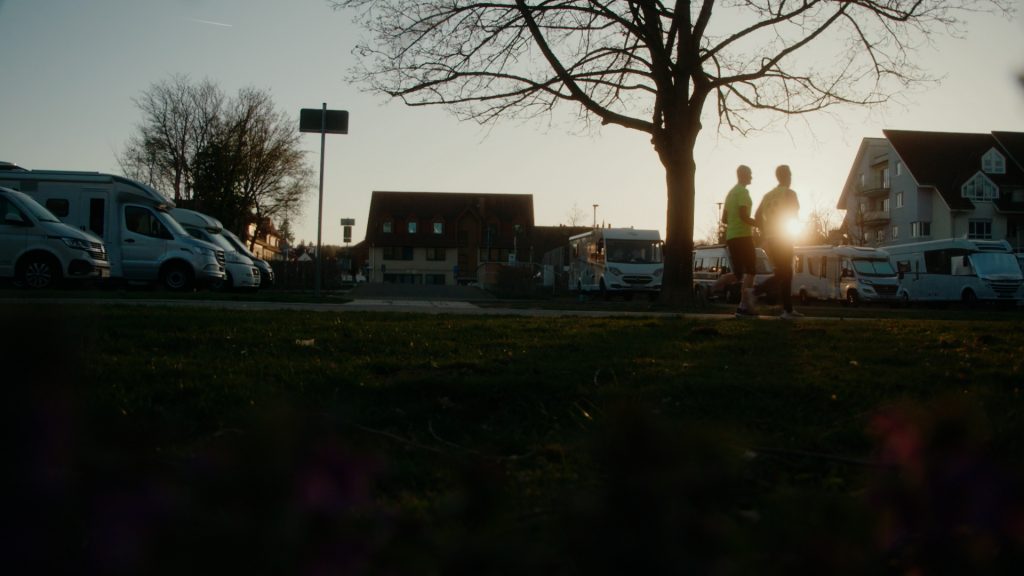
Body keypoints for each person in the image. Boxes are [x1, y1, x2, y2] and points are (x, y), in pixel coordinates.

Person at [755, 164, 803, 319]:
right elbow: (794, 215)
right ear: (787, 176)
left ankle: (788, 310)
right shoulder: (790, 193)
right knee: (785, 272)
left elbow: (757, 216)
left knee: (784, 272)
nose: (790, 178)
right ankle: (755, 291)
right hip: (784, 237)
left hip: (771, 239)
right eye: (790, 175)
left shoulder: (768, 195)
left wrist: (765, 233)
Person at [721, 164, 758, 318]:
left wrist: (734, 225)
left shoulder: (730, 193)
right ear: (743, 175)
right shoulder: (743, 192)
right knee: (751, 270)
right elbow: (743, 216)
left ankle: (710, 289)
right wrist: (759, 223)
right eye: (749, 174)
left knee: (738, 274)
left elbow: (724, 219)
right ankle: (744, 306)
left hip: (732, 236)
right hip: (743, 236)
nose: (751, 177)